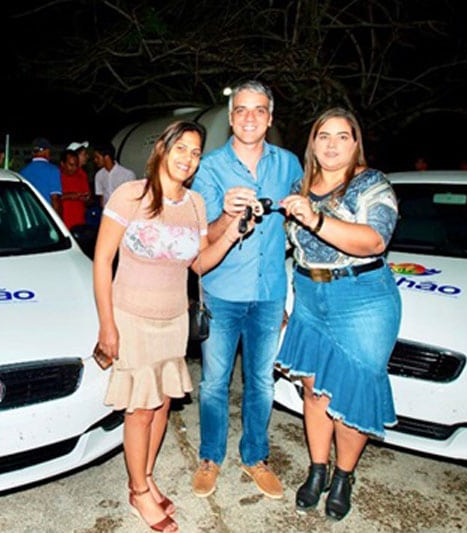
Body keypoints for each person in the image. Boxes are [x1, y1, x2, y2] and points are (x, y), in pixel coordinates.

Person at [93, 120, 253, 532]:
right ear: (163, 149)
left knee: (162, 404)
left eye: (196, 152)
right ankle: (137, 491)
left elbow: (197, 263)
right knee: (139, 410)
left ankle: (145, 478)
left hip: (174, 320)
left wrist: (230, 234)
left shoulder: (195, 204)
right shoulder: (131, 195)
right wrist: (107, 325)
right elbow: (102, 261)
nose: (188, 158)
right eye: (181, 147)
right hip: (132, 317)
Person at [275, 107, 401, 521]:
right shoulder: (299, 187)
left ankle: (344, 476)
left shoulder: (371, 183)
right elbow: (287, 247)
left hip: (362, 298)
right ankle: (317, 469)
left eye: (342, 136)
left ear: (355, 142)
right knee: (314, 392)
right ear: (312, 143)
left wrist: (315, 219)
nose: (331, 144)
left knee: (351, 396)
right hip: (310, 296)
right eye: (323, 136)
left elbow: (375, 240)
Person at [190, 80, 303, 499]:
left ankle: (255, 456)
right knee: (213, 383)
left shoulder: (289, 164)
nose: (249, 117)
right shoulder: (209, 167)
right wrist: (225, 213)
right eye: (241, 110)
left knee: (262, 382)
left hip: (269, 292)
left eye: (259, 110)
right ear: (231, 117)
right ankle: (210, 457)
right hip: (221, 291)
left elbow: (301, 222)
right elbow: (202, 236)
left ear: (270, 118)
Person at [19, 137, 62, 216]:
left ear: (33, 152)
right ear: (46, 151)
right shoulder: (53, 170)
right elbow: (55, 199)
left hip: (29, 216)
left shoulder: (23, 172)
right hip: (45, 217)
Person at [93, 142, 137, 208]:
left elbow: (133, 198)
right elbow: (102, 198)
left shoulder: (127, 175)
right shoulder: (99, 175)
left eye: (97, 157)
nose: (95, 160)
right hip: (107, 212)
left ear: (106, 157)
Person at [59, 148, 91, 229]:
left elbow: (87, 198)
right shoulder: (56, 176)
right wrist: (69, 196)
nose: (74, 168)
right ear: (62, 164)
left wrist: (86, 198)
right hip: (63, 224)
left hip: (80, 222)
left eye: (76, 165)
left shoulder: (81, 175)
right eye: (71, 165)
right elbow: (51, 198)